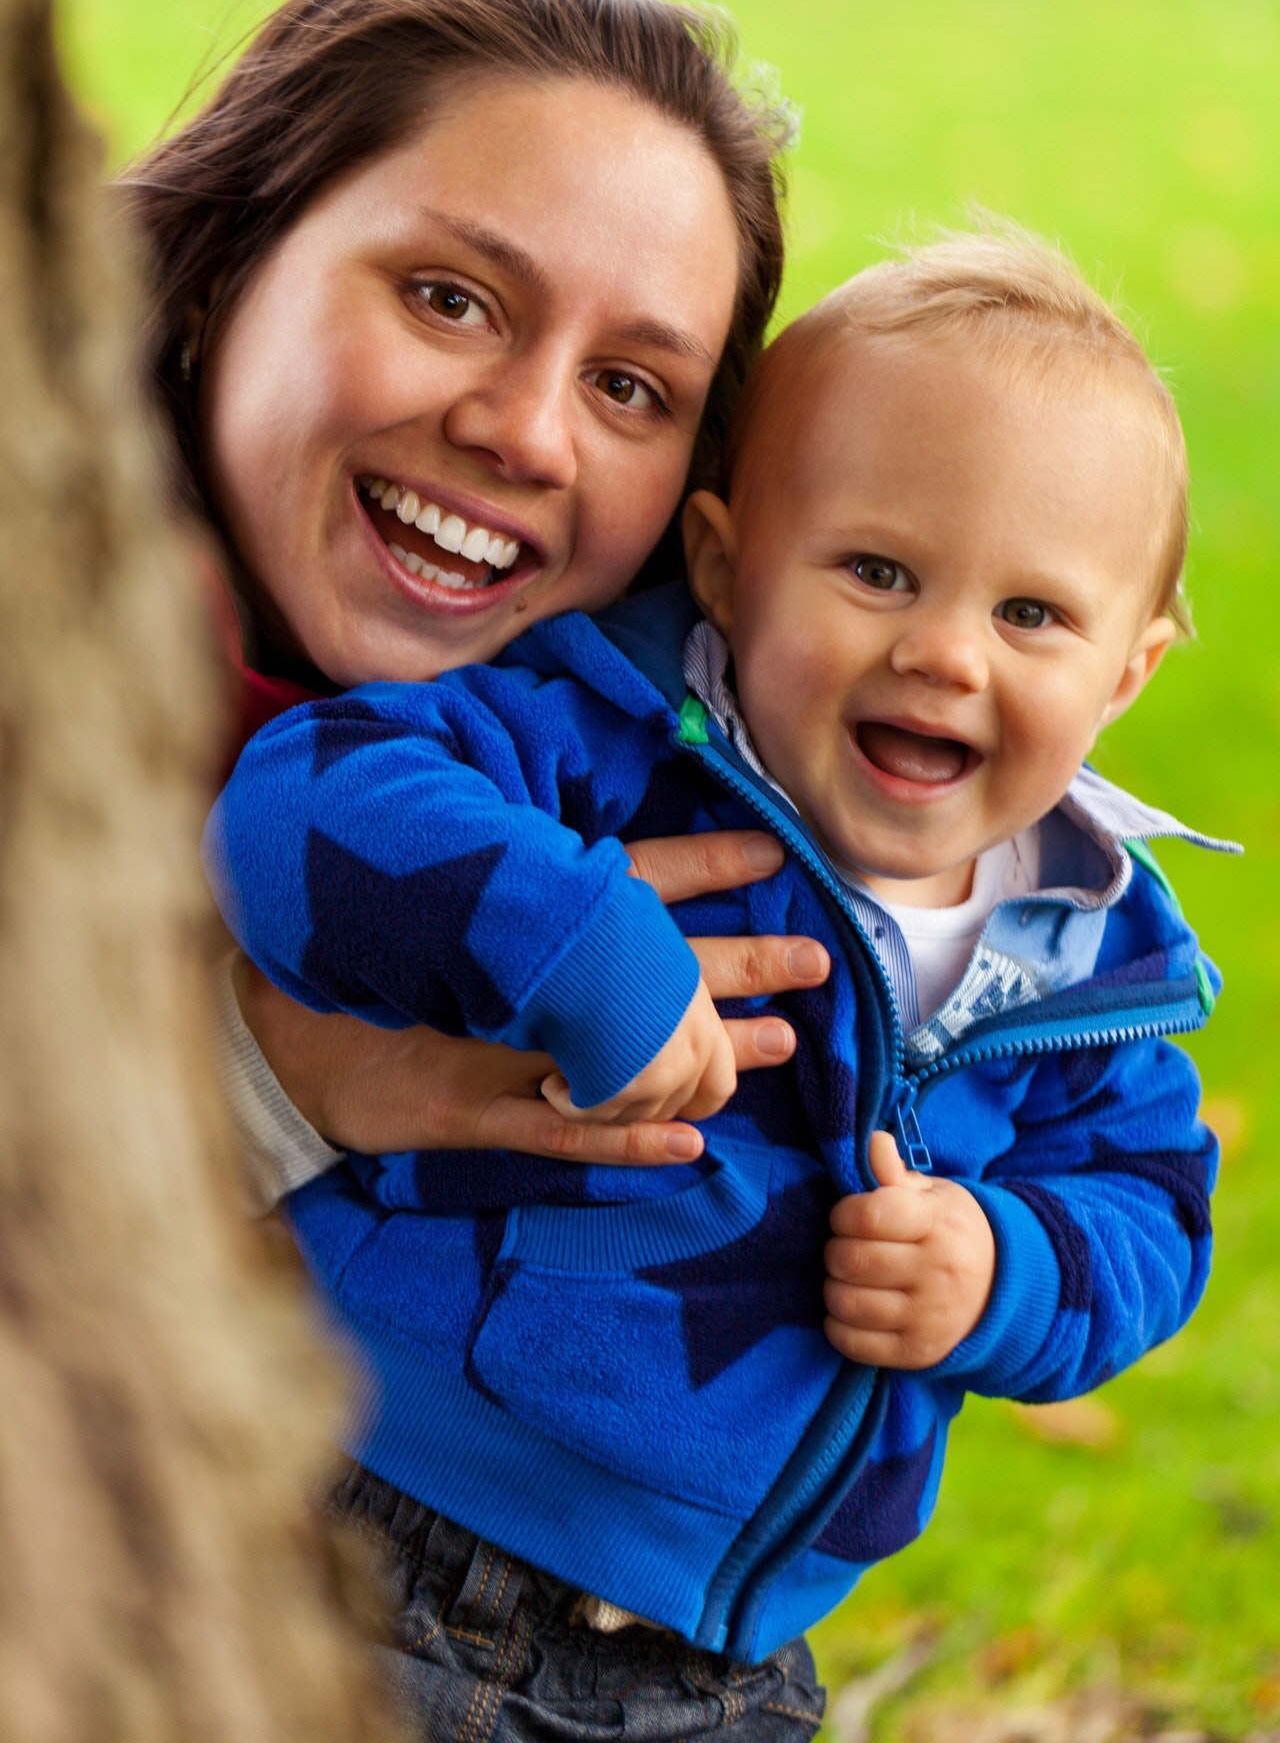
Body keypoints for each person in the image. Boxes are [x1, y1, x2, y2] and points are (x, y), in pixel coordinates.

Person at [209, 227, 1233, 1727]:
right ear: (724, 564)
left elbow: (1155, 1211)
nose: (946, 655)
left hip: (717, 1670)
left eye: (1031, 616)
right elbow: (306, 800)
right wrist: (571, 934)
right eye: (878, 572)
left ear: (1126, 674)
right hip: (364, 1524)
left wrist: (1003, 1272)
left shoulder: (1091, 952)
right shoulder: (608, 751)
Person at [126, 0, 839, 1735]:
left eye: (632, 389)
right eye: (450, 297)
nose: (521, 430)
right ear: (227, 269)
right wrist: (268, 1074)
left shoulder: (636, 763)